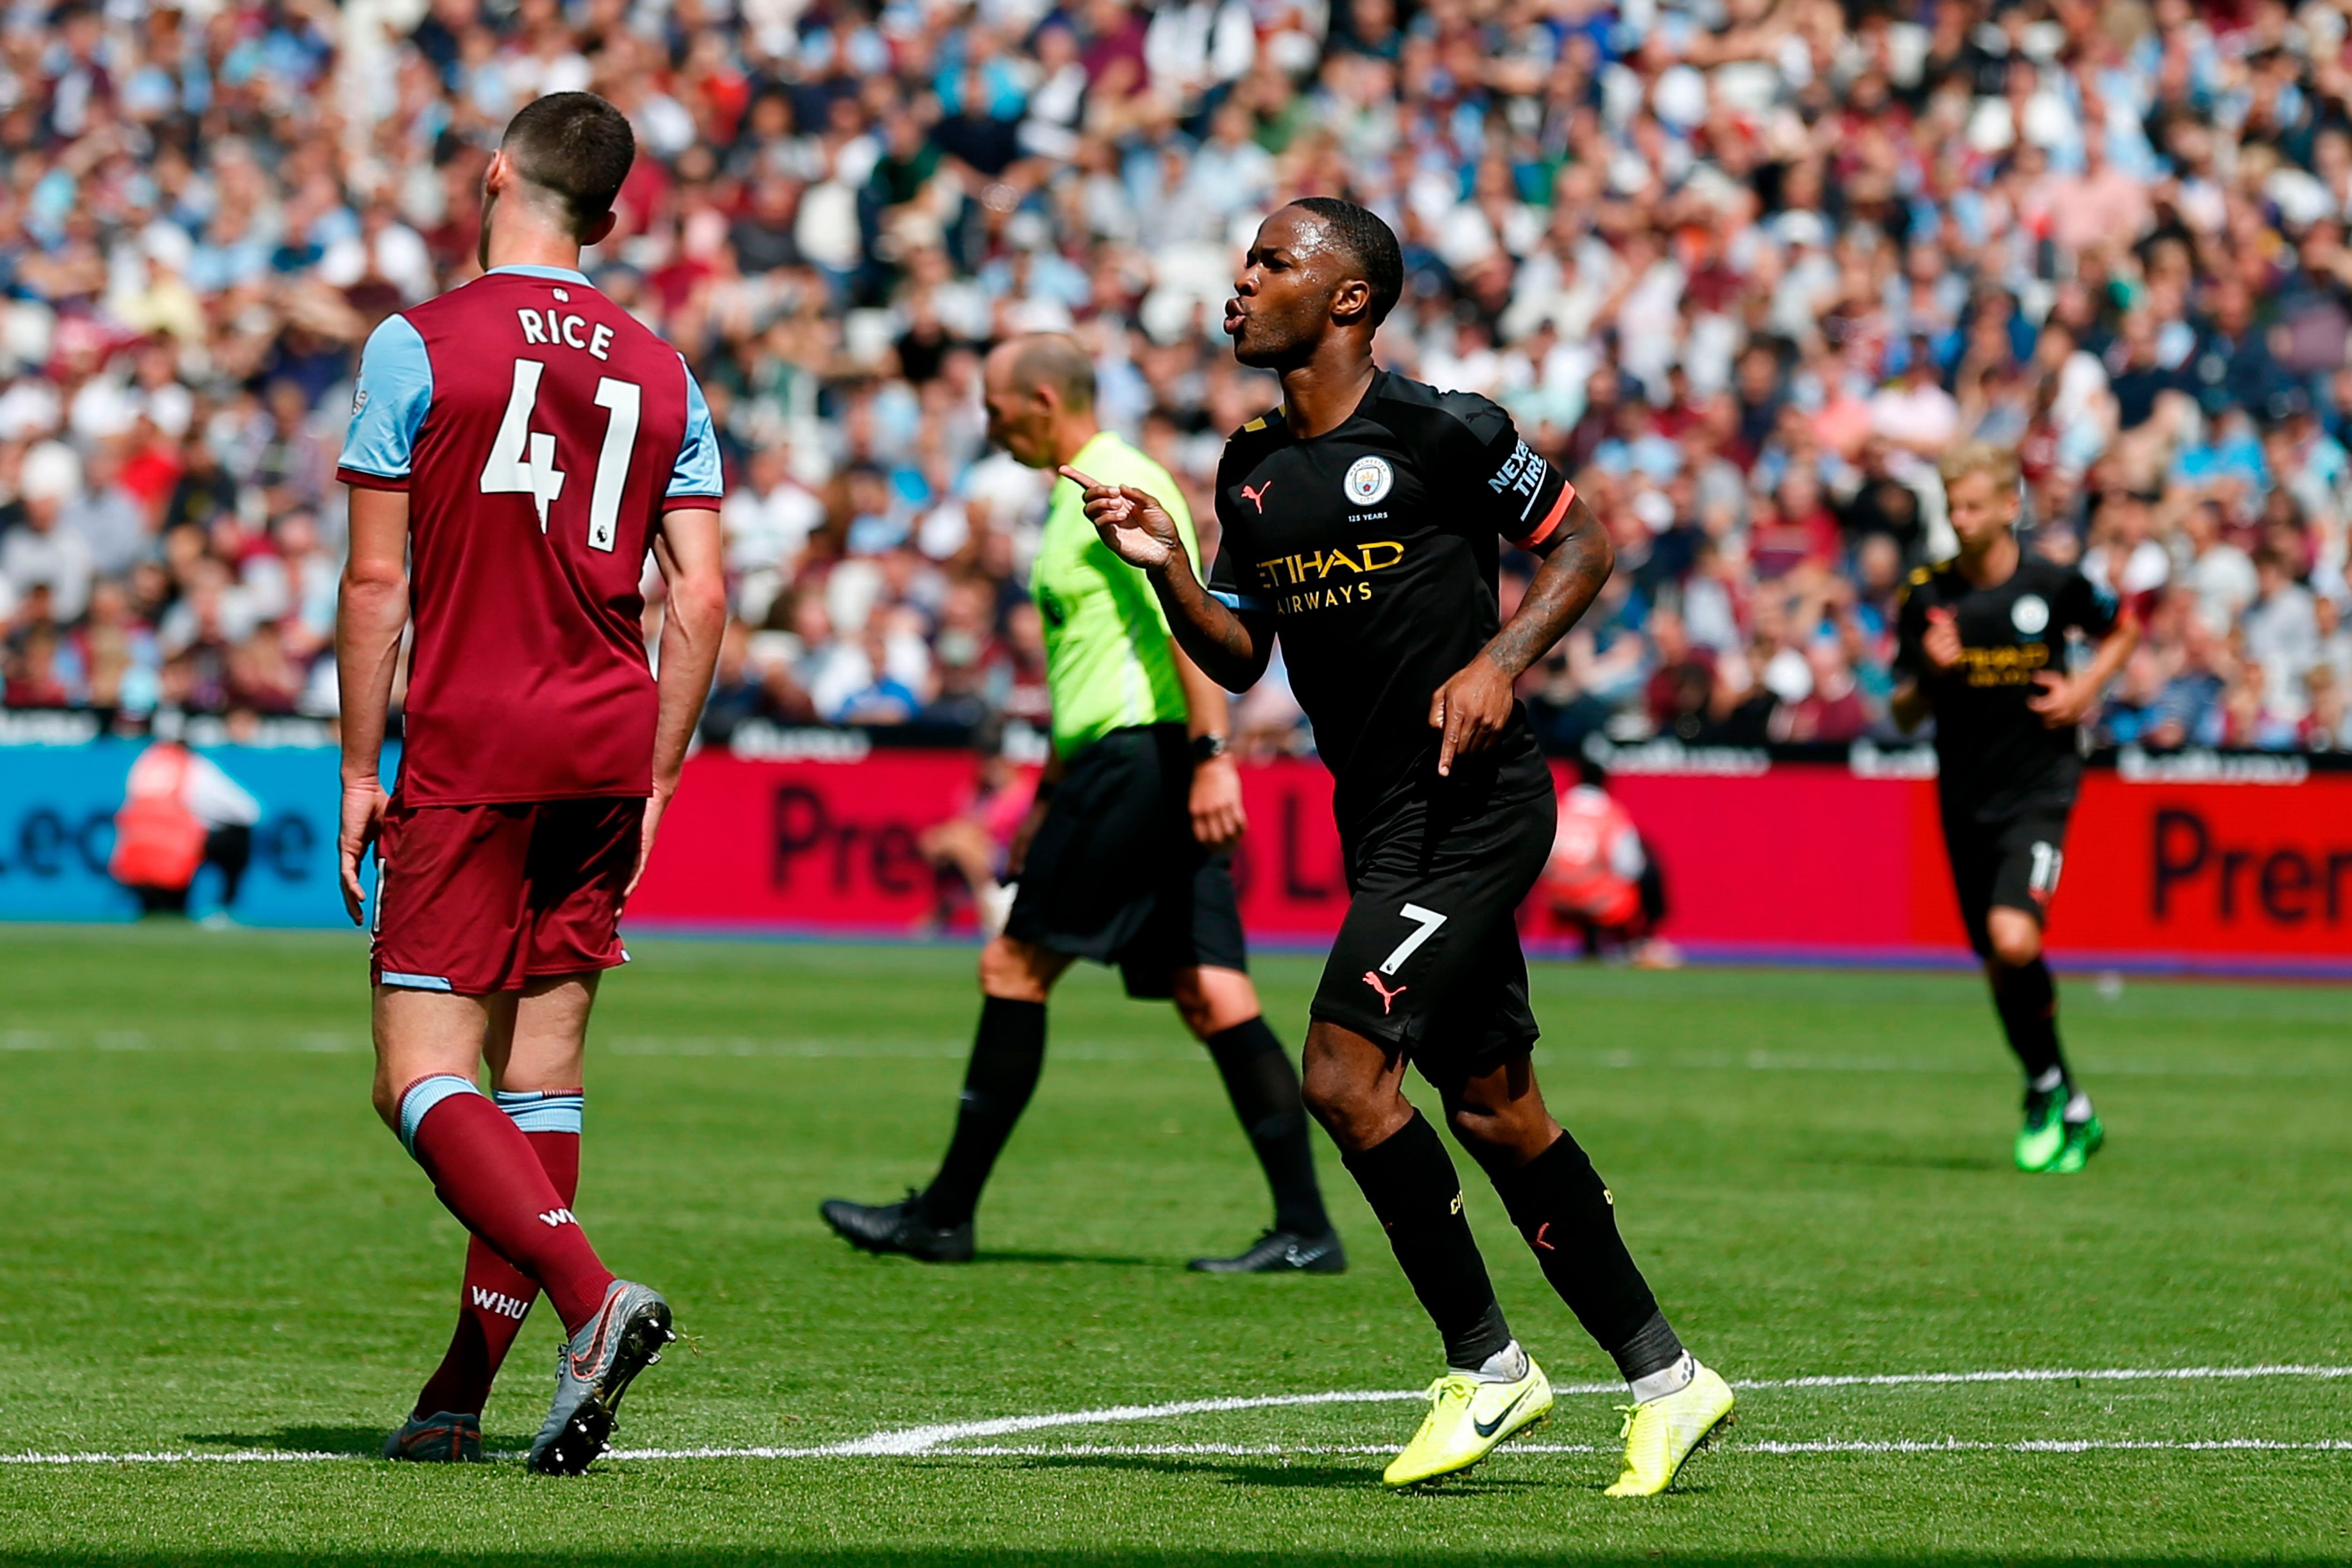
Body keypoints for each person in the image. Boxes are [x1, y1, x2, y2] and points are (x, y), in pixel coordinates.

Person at [1076, 198, 1733, 1494]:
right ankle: (1669, 1380)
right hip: (1380, 815)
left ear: (1347, 301)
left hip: (1472, 809)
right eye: (1244, 257)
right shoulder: (1250, 465)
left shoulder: (1444, 426)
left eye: (1271, 262)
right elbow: (1243, 648)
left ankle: (1488, 1370)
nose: (1239, 281)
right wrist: (1164, 570)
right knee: (1495, 1111)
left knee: (1339, 1073)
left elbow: (1583, 541)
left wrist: (1499, 660)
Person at [333, 93, 729, 1474]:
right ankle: (460, 1391)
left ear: (495, 174)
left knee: (417, 1078)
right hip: (607, 737)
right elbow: (706, 591)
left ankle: (588, 1299)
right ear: (609, 219)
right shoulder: (664, 365)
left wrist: (353, 764)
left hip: (472, 735)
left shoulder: (419, 341)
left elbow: (378, 576)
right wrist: (664, 761)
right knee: (542, 1072)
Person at [820, 333, 1342, 1274]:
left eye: (996, 406)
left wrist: (1214, 754)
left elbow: (1188, 616)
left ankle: (945, 1216)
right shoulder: (1072, 495)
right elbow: (1093, 656)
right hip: (1119, 763)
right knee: (1210, 991)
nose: (990, 423)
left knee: (1013, 970)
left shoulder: (1121, 481)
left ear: (1048, 399)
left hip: (1140, 762)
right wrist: (1052, 790)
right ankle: (1307, 1229)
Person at [1892, 443, 2136, 1174]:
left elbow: (2122, 630)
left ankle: (2049, 1087)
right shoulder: (1927, 597)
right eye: (1952, 507)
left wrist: (2084, 689)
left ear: (2008, 507)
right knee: (2000, 963)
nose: (1961, 520)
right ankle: (2057, 1090)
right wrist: (1931, 674)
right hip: (1965, 799)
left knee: (2016, 940)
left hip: (2042, 787)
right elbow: (1903, 713)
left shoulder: (2054, 585)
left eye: (1972, 506)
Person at [1540, 756, 1678, 969]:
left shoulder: (1560, 810)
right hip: (1600, 900)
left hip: (1558, 896)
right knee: (1651, 872)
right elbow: (1630, 866)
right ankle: (1641, 942)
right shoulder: (1611, 815)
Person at [108, 737, 262, 922]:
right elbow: (250, 811)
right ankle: (225, 908)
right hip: (175, 854)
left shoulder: (145, 762)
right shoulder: (196, 768)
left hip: (137, 853)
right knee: (237, 837)